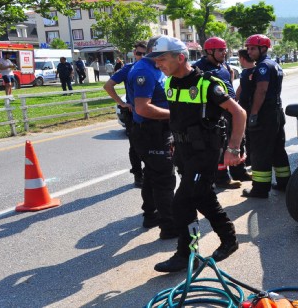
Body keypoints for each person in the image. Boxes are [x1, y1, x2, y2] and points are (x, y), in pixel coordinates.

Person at [148, 36, 245, 273]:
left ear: (180, 58)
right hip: (184, 153)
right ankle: (228, 240)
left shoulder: (207, 84)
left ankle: (185, 254)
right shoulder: (170, 83)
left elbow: (239, 113)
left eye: (161, 59)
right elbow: (178, 116)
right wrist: (174, 141)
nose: (158, 64)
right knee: (203, 198)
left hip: (205, 155)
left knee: (181, 203)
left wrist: (233, 149)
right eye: (156, 60)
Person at [127, 35, 177, 239]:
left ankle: (151, 214)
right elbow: (143, 108)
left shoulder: (156, 68)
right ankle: (170, 226)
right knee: (165, 178)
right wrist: (176, 115)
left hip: (159, 129)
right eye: (169, 54)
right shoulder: (143, 71)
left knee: (152, 176)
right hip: (151, 131)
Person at [194, 37, 250, 186]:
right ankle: (222, 178)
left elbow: (228, 83)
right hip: (216, 113)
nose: (224, 52)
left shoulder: (223, 65)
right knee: (221, 144)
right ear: (209, 51)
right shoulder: (199, 68)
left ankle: (239, 171)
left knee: (239, 140)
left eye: (224, 49)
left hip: (231, 109)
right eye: (220, 50)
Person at [242, 34, 291, 198]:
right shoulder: (274, 64)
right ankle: (285, 183)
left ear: (263, 48)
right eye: (248, 48)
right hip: (276, 112)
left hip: (265, 114)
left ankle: (260, 189)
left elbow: (261, 90)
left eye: (253, 48)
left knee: (260, 151)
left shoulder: (263, 66)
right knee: (278, 149)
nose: (249, 51)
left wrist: (254, 114)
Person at [103, 41, 147, 189]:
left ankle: (151, 173)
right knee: (135, 147)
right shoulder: (128, 69)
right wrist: (122, 103)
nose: (141, 56)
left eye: (144, 53)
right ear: (134, 54)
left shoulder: (156, 67)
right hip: (132, 114)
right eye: (138, 53)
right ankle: (138, 175)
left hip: (151, 113)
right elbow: (108, 86)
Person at [234, 49, 256, 168]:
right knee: (245, 134)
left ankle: (252, 159)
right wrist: (234, 101)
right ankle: (249, 158)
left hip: (251, 109)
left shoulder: (255, 71)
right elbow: (241, 88)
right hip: (244, 109)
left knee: (250, 135)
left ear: (242, 59)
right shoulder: (244, 72)